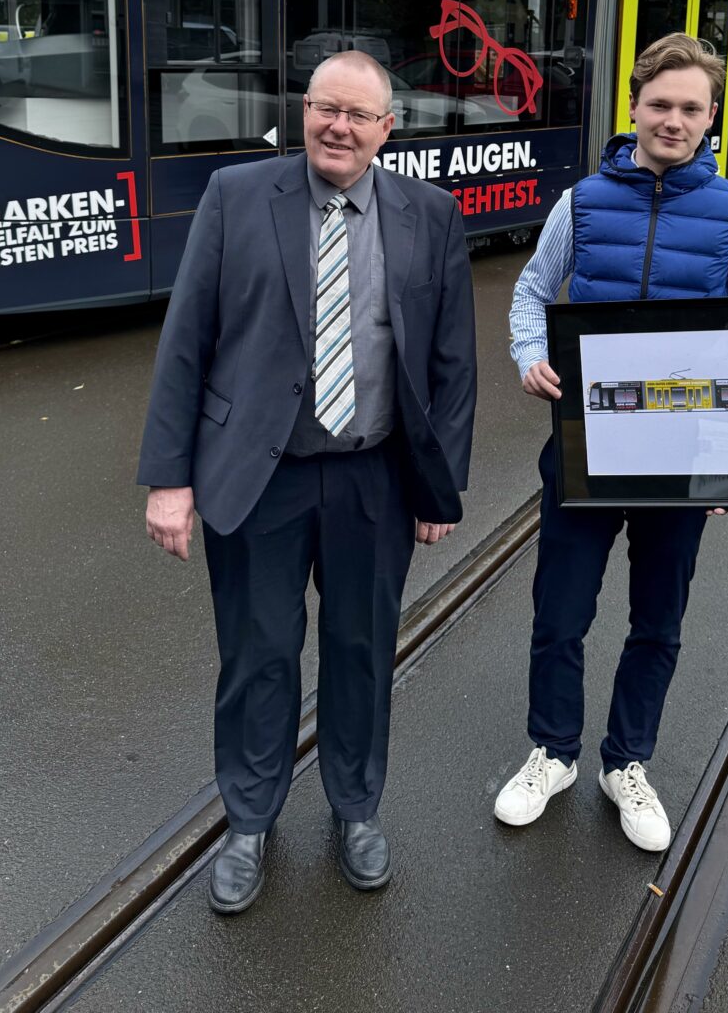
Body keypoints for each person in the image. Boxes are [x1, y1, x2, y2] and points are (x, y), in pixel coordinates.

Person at [139, 51, 476, 912]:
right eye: (328, 108)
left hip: (374, 479)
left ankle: (356, 810)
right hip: (261, 477)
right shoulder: (238, 196)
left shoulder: (430, 215)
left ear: (386, 129)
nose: (340, 127)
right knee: (258, 656)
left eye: (361, 116)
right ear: (304, 111)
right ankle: (249, 820)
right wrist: (168, 481)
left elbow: (450, 364)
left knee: (363, 653)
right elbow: (187, 342)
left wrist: (439, 491)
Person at [495, 33, 728, 849]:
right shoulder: (581, 203)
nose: (674, 120)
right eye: (661, 103)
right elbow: (533, 290)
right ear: (635, 106)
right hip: (587, 445)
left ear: (711, 117)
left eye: (691, 108)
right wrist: (529, 352)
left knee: (658, 619)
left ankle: (628, 763)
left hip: (682, 458)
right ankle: (553, 752)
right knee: (560, 612)